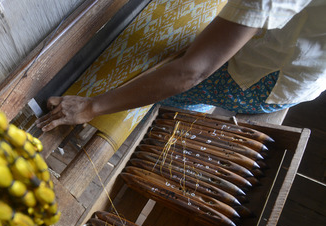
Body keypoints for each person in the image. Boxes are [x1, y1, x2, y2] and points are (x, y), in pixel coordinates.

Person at [36, 0, 326, 132]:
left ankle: (176, 106)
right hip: (300, 64)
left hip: (257, 81)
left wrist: (91, 107)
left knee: (165, 81)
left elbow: (193, 71)